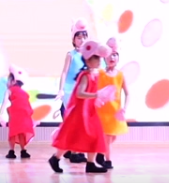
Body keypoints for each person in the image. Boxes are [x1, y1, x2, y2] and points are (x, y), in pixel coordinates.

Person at [48, 40, 116, 174]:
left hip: (90, 111)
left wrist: (100, 98)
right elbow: (80, 93)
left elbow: (92, 93)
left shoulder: (94, 75)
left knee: (95, 135)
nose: (99, 61)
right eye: (96, 58)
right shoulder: (85, 75)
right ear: (88, 60)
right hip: (80, 113)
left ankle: (90, 163)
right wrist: (97, 95)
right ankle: (55, 158)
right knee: (72, 138)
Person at [55, 19, 90, 164]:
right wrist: (61, 90)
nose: (82, 40)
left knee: (81, 122)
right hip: (70, 92)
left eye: (84, 37)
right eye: (79, 37)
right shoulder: (71, 54)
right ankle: (74, 152)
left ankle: (74, 149)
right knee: (74, 122)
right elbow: (64, 72)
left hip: (82, 91)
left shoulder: (89, 55)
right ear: (73, 39)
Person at [96, 37, 129, 169]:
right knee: (107, 138)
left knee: (112, 137)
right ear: (104, 57)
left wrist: (125, 108)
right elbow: (93, 90)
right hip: (102, 112)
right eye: (109, 54)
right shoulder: (99, 73)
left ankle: (100, 153)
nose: (112, 57)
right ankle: (107, 160)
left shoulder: (120, 75)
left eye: (115, 54)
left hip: (115, 112)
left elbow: (128, 93)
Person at [0, 66, 36, 159]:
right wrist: (31, 117)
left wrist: (1, 114)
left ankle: (11, 151)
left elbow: (5, 102)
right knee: (21, 132)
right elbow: (28, 106)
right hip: (24, 115)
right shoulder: (24, 93)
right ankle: (23, 151)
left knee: (13, 132)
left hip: (14, 114)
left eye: (8, 80)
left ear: (13, 81)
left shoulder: (9, 90)